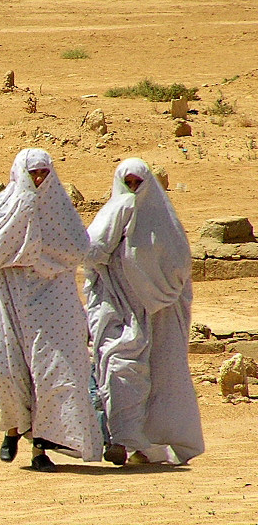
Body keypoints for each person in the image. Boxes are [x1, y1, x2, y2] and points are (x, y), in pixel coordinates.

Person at [0, 148, 103, 472]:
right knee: (10, 371)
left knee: (54, 371)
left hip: (53, 300)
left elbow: (78, 246)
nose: (38, 180)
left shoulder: (60, 207)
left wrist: (46, 257)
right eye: (32, 173)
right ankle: (12, 430)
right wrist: (23, 228)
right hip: (13, 298)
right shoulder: (6, 206)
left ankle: (40, 449)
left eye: (43, 173)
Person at [84, 158, 204, 465]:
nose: (134, 191)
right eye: (128, 185)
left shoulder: (163, 222)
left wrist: (152, 287)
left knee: (158, 378)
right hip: (117, 308)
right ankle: (120, 441)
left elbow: (178, 266)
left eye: (139, 184)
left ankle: (144, 447)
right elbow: (92, 250)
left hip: (158, 316)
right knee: (118, 370)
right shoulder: (113, 212)